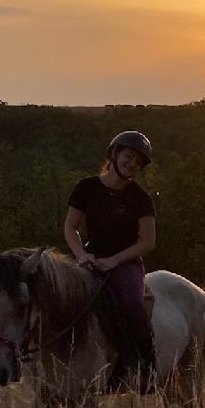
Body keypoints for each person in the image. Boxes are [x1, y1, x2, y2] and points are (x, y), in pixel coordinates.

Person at [64, 130, 157, 392]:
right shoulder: (86, 187)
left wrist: (115, 261)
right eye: (129, 156)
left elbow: (148, 242)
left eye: (138, 162)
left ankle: (146, 369)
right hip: (90, 260)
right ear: (114, 154)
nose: (132, 164)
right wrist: (81, 255)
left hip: (125, 263)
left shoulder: (140, 198)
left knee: (132, 305)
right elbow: (70, 227)